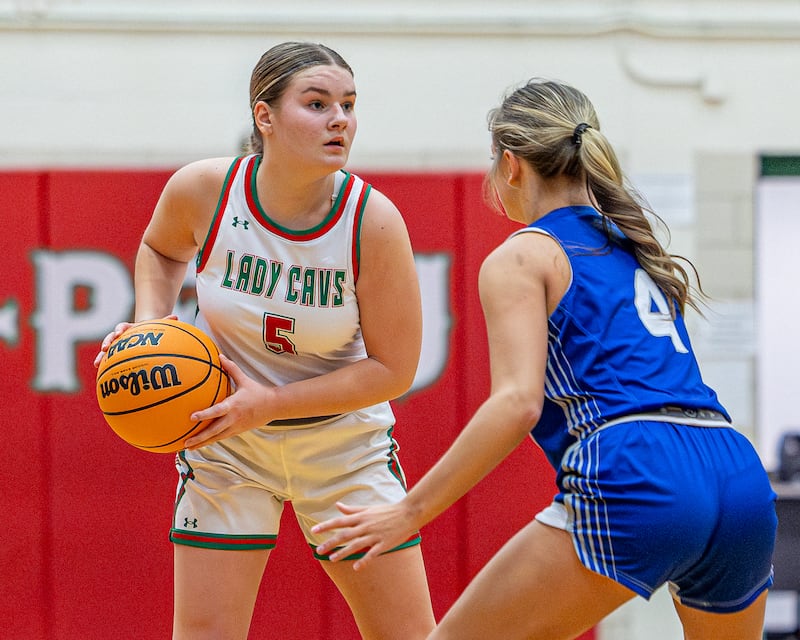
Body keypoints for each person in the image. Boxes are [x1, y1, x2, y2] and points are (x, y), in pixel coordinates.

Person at [312, 78, 777, 640]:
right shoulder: (635, 244)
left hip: (640, 466)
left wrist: (408, 512)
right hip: (736, 471)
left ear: (511, 165)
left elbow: (516, 403)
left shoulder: (525, 254)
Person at [94, 41, 435, 640]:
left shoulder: (372, 221)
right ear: (265, 116)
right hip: (228, 446)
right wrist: (151, 324)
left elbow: (393, 369)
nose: (340, 119)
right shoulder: (204, 189)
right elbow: (161, 249)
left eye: (349, 105)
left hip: (341, 449)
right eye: (317, 103)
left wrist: (270, 404)